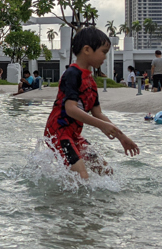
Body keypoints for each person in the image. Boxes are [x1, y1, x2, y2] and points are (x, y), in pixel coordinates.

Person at [44, 27, 139, 179]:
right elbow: (70, 109)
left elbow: (98, 113)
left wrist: (122, 137)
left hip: (74, 134)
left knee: (106, 171)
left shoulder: (91, 81)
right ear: (87, 49)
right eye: (103, 52)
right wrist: (102, 125)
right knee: (83, 175)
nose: (105, 57)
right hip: (58, 132)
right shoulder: (72, 74)